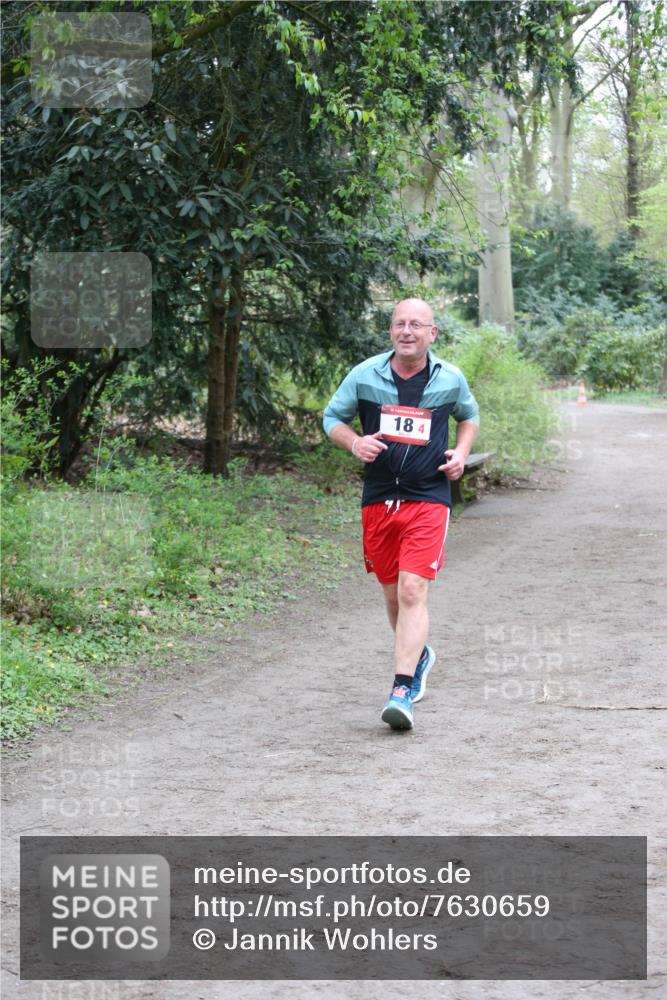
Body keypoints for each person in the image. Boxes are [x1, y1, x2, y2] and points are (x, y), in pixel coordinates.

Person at [323, 297, 479, 731]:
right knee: (393, 596)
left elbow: (469, 416)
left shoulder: (449, 378)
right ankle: (420, 651)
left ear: (433, 333)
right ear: (391, 331)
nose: (407, 331)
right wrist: (354, 443)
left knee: (413, 592)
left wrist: (461, 453)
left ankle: (402, 688)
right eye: (399, 324)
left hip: (428, 496)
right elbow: (332, 417)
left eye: (417, 324)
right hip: (379, 498)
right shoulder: (364, 374)